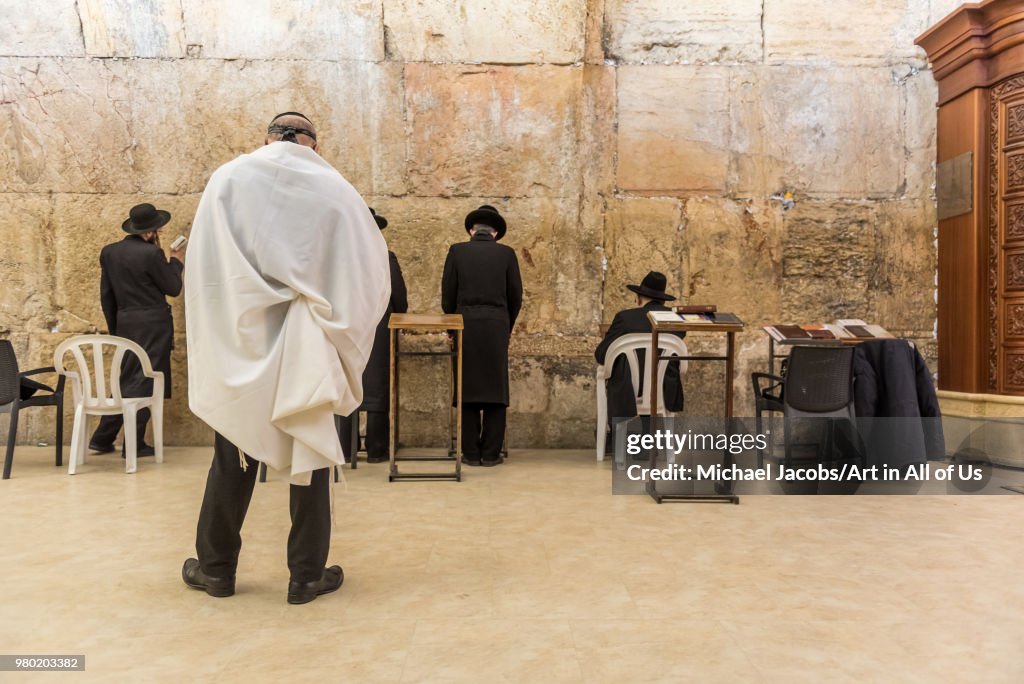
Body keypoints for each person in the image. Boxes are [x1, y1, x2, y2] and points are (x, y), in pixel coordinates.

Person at [181, 112, 390, 604]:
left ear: (268, 138)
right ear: (312, 144)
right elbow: (368, 273)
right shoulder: (336, 188)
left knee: (232, 455)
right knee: (311, 454)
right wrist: (335, 326)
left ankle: (216, 570)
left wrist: (229, 333)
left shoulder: (229, 178)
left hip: (244, 345)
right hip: (309, 346)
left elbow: (207, 269)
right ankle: (305, 576)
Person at [88, 203, 185, 457]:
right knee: (146, 380)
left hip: (125, 324)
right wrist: (175, 262)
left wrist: (116, 328)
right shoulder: (151, 255)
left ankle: (102, 438)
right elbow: (173, 287)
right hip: (153, 326)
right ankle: (134, 443)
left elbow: (106, 295)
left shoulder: (109, 252)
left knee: (127, 378)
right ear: (150, 231)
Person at [441, 205, 523, 467]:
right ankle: (490, 453)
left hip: (464, 323)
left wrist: (452, 326)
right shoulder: (507, 254)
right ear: (496, 232)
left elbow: (447, 295)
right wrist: (505, 326)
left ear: (471, 230)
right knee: (495, 389)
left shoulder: (457, 251)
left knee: (467, 387)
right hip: (496, 324)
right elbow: (515, 296)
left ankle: (470, 453)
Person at [338, 208, 408, 463]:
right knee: (378, 385)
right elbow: (399, 297)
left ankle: (346, 448)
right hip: (379, 326)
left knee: (347, 383)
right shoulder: (386, 258)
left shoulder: (341, 259)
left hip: (347, 326)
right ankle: (377, 450)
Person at [595, 271, 685, 428]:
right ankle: (647, 439)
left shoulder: (625, 318)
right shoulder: (676, 319)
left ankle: (621, 440)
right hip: (664, 388)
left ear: (638, 298)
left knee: (623, 369)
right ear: (663, 301)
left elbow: (601, 354)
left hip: (628, 390)